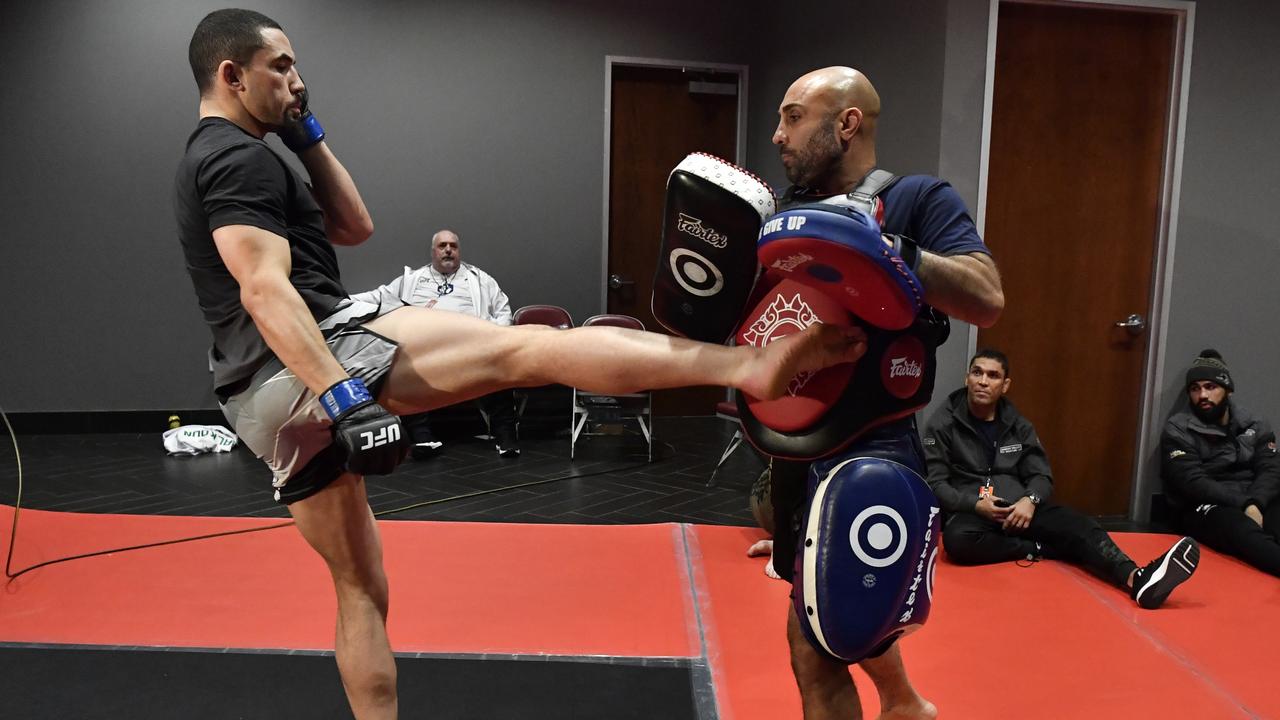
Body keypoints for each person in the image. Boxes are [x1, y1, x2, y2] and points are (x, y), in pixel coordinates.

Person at [174, 12, 866, 718]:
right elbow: (264, 289)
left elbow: (354, 227)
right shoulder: (237, 156)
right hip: (313, 357)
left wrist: (305, 134)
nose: (296, 80)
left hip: (258, 403)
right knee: (528, 348)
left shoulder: (248, 153)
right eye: (280, 67)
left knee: (360, 589)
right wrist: (344, 395)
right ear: (231, 75)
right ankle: (746, 367)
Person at [762, 66, 1005, 720]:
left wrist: (890, 251)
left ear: (846, 124)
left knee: (816, 642)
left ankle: (902, 701)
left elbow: (986, 298)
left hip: (874, 443)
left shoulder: (919, 199)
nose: (777, 134)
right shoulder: (783, 212)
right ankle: (903, 702)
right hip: (794, 442)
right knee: (826, 616)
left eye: (792, 117)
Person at [924, 349, 1199, 608]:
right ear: (967, 378)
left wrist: (1029, 501)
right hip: (976, 515)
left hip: (1020, 509)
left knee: (1080, 526)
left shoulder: (1018, 424)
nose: (983, 381)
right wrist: (975, 505)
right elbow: (937, 483)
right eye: (977, 373)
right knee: (958, 541)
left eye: (992, 375)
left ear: (1005, 385)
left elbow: (1041, 475)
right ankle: (1041, 548)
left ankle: (1138, 578)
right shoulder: (943, 423)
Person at [350, 229, 521, 458]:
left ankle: (506, 438)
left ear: (459, 251)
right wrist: (341, 300)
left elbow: (502, 310)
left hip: (473, 346)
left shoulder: (480, 279)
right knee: (403, 365)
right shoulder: (412, 280)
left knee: (500, 365)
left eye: (453, 246)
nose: (448, 250)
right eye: (442, 246)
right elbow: (379, 296)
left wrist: (499, 337)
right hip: (426, 349)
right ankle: (422, 438)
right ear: (433, 251)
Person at [1161, 349, 1280, 577]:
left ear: (1227, 390)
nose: (1202, 395)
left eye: (1210, 387)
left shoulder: (1254, 423)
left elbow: (1271, 468)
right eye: (1195, 389)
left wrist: (1256, 501)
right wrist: (1245, 504)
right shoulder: (1178, 428)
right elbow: (1191, 481)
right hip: (1206, 503)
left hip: (1254, 495)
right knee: (1242, 531)